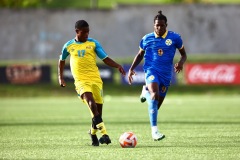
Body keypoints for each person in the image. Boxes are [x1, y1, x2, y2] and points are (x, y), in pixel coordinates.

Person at [58, 20, 126, 146]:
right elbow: (61, 60)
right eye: (84, 32)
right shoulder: (68, 45)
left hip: (96, 80)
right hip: (81, 81)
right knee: (91, 103)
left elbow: (105, 58)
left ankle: (93, 133)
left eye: (88, 32)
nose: (87, 34)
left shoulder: (93, 43)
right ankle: (105, 134)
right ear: (77, 31)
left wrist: (117, 66)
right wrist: (60, 77)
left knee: (97, 113)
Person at [128, 10, 187, 141]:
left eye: (162, 25)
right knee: (154, 95)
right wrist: (131, 68)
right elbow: (140, 55)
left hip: (166, 74)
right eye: (157, 25)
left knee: (156, 105)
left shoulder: (174, 38)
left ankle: (145, 91)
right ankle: (155, 132)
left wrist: (181, 63)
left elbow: (184, 54)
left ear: (166, 25)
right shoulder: (147, 38)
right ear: (153, 25)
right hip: (151, 70)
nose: (159, 28)